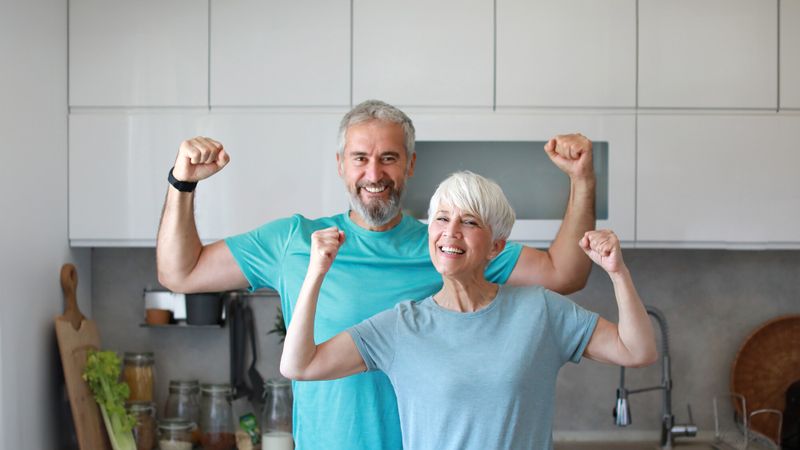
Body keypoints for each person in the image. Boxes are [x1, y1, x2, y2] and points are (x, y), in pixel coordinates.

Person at [156, 100, 597, 450]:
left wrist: (582, 180)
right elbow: (181, 272)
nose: (374, 174)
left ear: (410, 165)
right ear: (340, 164)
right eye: (360, 158)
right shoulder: (296, 242)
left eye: (388, 158)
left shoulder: (450, 246)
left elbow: (565, 273)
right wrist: (182, 183)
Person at [280, 171, 657, 450]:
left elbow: (637, 350)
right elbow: (300, 365)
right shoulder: (400, 326)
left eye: (470, 222)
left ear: (496, 246)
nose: (451, 231)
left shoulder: (539, 311)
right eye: (442, 218)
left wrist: (617, 272)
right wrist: (316, 273)